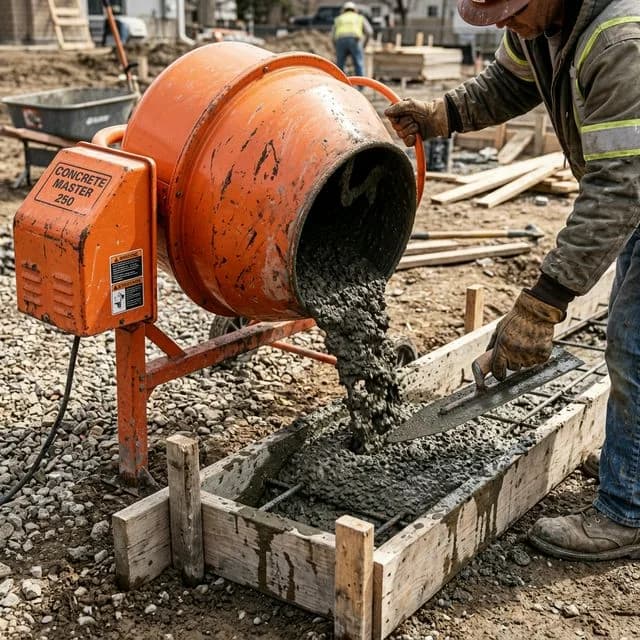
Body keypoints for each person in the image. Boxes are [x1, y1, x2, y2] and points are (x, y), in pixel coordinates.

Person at [386, 0, 640, 561]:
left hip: (636, 189)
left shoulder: (621, 40)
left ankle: (627, 511)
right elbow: (507, 83)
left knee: (632, 349)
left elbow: (621, 187)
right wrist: (443, 114)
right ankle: (634, 459)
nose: (504, 25)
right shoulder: (541, 24)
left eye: (509, 11)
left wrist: (543, 303)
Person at [332, 1, 373, 77]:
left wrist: (336, 46)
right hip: (355, 40)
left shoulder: (339, 19)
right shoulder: (359, 18)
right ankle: (361, 85)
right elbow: (369, 32)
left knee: (340, 64)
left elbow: (332, 36)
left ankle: (340, 83)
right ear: (355, 9)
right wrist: (364, 45)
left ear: (344, 10)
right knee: (358, 62)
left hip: (340, 40)